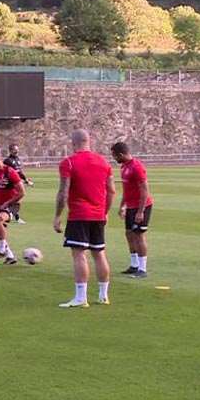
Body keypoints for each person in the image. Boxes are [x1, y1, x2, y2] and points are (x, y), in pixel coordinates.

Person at [54, 129, 116, 308]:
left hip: (79, 215)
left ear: (73, 143)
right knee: (99, 253)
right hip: (98, 215)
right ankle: (103, 295)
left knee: (79, 254)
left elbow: (63, 192)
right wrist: (105, 212)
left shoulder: (69, 163)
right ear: (90, 141)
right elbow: (111, 190)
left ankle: (81, 298)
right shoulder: (104, 162)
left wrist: (58, 215)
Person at [111, 142, 153, 279]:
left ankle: (143, 268)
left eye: (115, 156)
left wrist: (141, 211)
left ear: (121, 155)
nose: (114, 159)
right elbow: (126, 190)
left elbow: (145, 190)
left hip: (141, 206)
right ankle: (134, 265)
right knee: (129, 234)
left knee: (139, 235)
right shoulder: (124, 167)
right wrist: (123, 206)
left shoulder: (137, 167)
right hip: (130, 206)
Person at [0, 151, 26, 265]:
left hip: (13, 204)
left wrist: (8, 203)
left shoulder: (10, 171)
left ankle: (2, 250)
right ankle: (10, 256)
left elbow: (22, 192)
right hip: (0, 204)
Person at [3, 144, 33, 223]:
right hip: (10, 184)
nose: (17, 151)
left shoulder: (18, 159)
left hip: (17, 183)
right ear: (10, 151)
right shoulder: (7, 161)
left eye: (17, 149)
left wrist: (25, 179)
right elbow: (9, 173)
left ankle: (13, 215)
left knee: (17, 201)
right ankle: (10, 214)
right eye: (14, 149)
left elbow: (19, 172)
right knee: (16, 200)